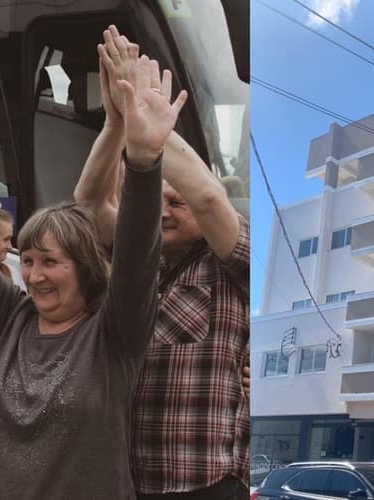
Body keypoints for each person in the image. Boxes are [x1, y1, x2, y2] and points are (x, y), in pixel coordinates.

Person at [0, 40, 184, 497]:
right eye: (31, 260)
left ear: (84, 267)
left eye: (51, 262)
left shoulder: (114, 334)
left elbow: (139, 260)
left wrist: (143, 161)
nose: (35, 275)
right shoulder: (12, 318)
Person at [76, 27, 249, 498]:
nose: (166, 209)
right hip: (124, 478)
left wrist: (148, 125)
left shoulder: (233, 264)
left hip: (202, 483)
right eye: (160, 200)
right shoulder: (139, 259)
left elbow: (211, 199)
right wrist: (116, 125)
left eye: (179, 201)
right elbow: (91, 204)